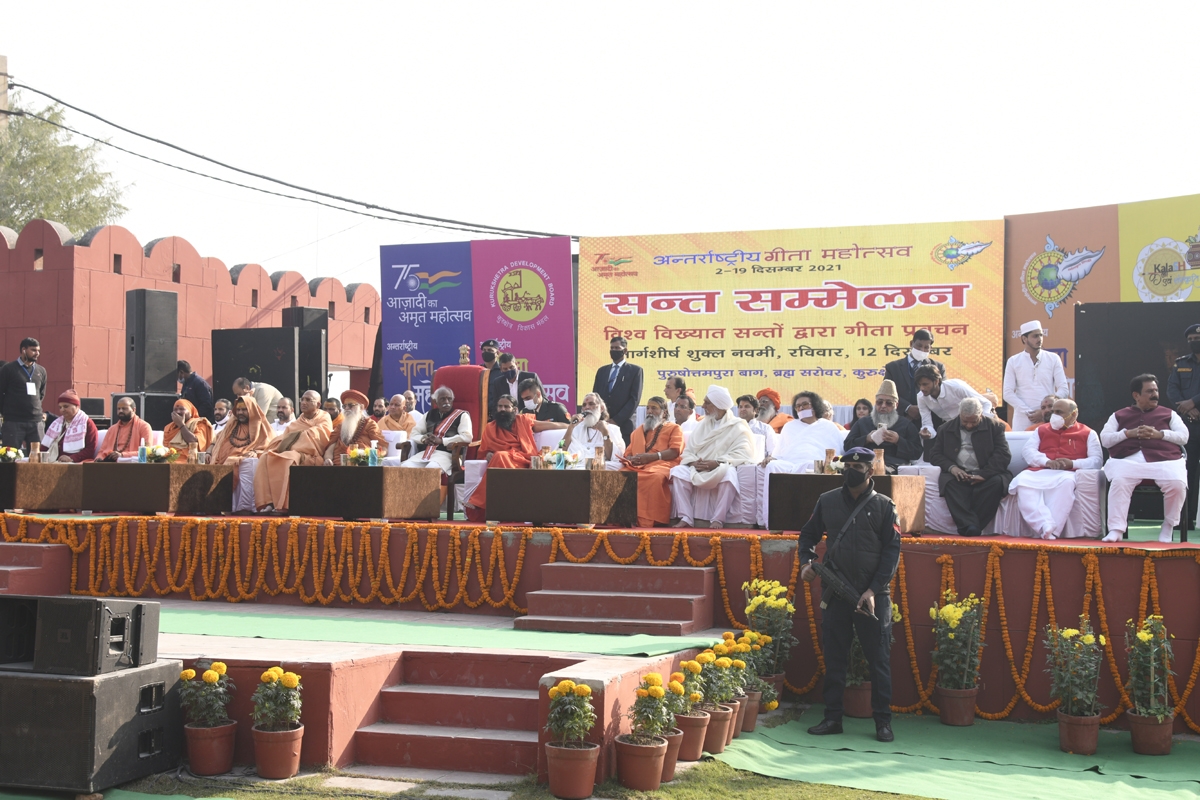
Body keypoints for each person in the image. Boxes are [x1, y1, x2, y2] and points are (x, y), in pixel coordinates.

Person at [799, 448, 901, 743]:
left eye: (857, 466)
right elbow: (808, 536)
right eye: (847, 465)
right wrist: (806, 563)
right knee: (835, 657)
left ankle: (883, 722)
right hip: (837, 593)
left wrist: (872, 590)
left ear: (871, 471)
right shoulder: (827, 501)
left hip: (873, 596)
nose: (850, 471)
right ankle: (832, 718)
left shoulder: (884, 506)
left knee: (878, 659)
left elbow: (892, 552)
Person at [1101, 374, 1189, 543]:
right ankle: (1116, 529)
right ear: (1136, 395)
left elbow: (1183, 436)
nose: (1155, 394)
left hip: (1165, 460)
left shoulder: (1169, 414)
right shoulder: (1119, 415)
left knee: (1177, 485)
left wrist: (1160, 435)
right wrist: (1127, 433)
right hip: (1128, 460)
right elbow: (1105, 439)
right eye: (1149, 391)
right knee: (1119, 481)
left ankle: (1168, 527)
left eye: (1156, 390)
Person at [1007, 398, 1101, 540]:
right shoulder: (1042, 430)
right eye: (1053, 412)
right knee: (1022, 482)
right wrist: (1046, 461)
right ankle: (1044, 524)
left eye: (1059, 412)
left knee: (1067, 484)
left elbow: (1096, 461)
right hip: (1039, 471)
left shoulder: (1088, 433)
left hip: (1066, 473)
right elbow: (1028, 452)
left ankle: (1053, 531)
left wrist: (1073, 464)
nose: (1054, 416)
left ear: (1074, 414)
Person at [465, 394, 564, 521]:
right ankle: (497, 509)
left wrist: (571, 426)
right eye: (500, 406)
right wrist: (487, 454)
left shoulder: (523, 421)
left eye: (507, 406)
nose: (502, 409)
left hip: (523, 460)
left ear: (515, 409)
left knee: (500, 455)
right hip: (501, 461)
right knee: (499, 456)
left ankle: (478, 502)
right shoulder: (490, 427)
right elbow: (483, 451)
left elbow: (551, 426)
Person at [668, 385, 755, 528]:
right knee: (678, 472)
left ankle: (718, 519)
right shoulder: (702, 425)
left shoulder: (738, 426)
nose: (703, 406)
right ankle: (686, 517)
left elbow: (743, 452)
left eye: (707, 403)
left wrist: (717, 462)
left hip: (720, 466)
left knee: (729, 474)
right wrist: (692, 463)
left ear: (718, 405)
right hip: (698, 466)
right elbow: (689, 451)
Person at [758, 392, 846, 528]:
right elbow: (780, 452)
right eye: (798, 406)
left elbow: (836, 453)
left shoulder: (827, 426)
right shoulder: (790, 426)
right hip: (790, 462)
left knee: (809, 466)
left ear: (815, 406)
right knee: (773, 466)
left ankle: (812, 520)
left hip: (816, 463)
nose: (801, 408)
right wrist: (772, 458)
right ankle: (773, 521)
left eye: (805, 404)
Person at [928, 397, 1012, 536]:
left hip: (986, 472)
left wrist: (984, 474)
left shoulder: (995, 427)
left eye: (973, 421)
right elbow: (935, 455)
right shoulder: (945, 428)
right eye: (965, 421)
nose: (968, 425)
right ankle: (971, 525)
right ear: (960, 415)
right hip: (958, 473)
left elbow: (1003, 455)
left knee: (997, 483)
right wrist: (952, 468)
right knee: (949, 484)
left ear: (981, 415)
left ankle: (971, 526)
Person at [254, 390, 333, 512]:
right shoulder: (298, 421)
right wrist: (291, 440)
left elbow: (320, 437)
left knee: (287, 458)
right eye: (302, 399)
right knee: (265, 457)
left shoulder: (324, 417)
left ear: (318, 405)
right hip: (294, 452)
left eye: (308, 400)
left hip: (312, 456)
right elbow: (286, 437)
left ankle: (282, 505)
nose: (303, 402)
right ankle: (268, 502)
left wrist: (294, 439)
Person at [620, 396, 684, 527]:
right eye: (648, 408)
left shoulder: (674, 428)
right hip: (639, 465)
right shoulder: (638, 432)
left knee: (654, 478)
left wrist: (651, 457)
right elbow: (628, 454)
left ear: (664, 412)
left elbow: (675, 451)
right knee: (619, 475)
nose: (649, 411)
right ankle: (621, 517)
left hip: (663, 463)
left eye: (654, 408)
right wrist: (632, 459)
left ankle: (645, 520)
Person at [1003, 320, 1069, 431]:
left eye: (1041, 335)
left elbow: (1064, 390)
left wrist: (1046, 411)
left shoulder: (1053, 358)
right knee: (1021, 447)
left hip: (1048, 417)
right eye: (1035, 336)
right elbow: (1007, 393)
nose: (1039, 339)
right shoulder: (1013, 361)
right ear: (1024, 339)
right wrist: (1029, 412)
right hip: (1023, 419)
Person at [843, 380, 922, 472]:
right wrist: (866, 439)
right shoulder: (862, 423)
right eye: (879, 402)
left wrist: (898, 441)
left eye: (888, 403)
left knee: (880, 471)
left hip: (894, 465)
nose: (883, 406)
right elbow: (847, 446)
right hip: (865, 463)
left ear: (896, 405)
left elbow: (917, 452)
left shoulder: (906, 424)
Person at [1167, 323, 1200, 531]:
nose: (1194, 342)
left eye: (1197, 339)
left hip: (1194, 411)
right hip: (1191, 424)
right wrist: (1188, 409)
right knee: (1188, 471)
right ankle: (1186, 519)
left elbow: (1189, 400)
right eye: (1191, 340)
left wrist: (1194, 402)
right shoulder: (1181, 364)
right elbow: (1172, 390)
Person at [400, 386, 473, 474]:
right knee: (405, 467)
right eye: (442, 399)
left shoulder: (462, 415)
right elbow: (414, 433)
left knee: (431, 469)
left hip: (447, 455)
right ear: (435, 402)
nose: (446, 402)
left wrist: (442, 441)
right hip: (425, 453)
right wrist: (424, 439)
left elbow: (467, 437)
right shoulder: (429, 414)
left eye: (449, 399)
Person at [883, 329, 946, 423]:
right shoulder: (893, 368)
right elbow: (887, 393)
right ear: (911, 343)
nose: (922, 350)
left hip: (932, 421)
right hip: (901, 420)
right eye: (919, 346)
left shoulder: (938, 367)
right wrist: (908, 408)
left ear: (931, 349)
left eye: (926, 347)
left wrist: (923, 409)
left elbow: (942, 393)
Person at [915, 364, 992, 441]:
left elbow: (986, 403)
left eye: (925, 384)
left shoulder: (957, 387)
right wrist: (927, 431)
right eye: (919, 385)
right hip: (952, 432)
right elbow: (927, 424)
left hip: (974, 426)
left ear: (936, 381)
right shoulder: (921, 397)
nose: (921, 388)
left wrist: (981, 425)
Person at [592, 335, 644, 446]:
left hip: (623, 425)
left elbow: (634, 399)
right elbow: (595, 397)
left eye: (617, 348)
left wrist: (616, 420)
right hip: (601, 424)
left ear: (625, 350)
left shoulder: (635, 371)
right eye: (612, 348)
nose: (613, 351)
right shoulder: (602, 371)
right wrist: (602, 418)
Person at [0, 337, 47, 452]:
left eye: (38, 351)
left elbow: (41, 394)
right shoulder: (9, 369)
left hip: (36, 422)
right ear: (23, 350)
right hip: (13, 421)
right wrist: (5, 413)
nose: (37, 353)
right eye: (33, 350)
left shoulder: (41, 371)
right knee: (10, 457)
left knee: (37, 458)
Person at [563, 393, 626, 468]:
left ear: (601, 408)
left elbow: (614, 458)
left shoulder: (612, 429)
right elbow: (561, 449)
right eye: (584, 405)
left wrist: (605, 432)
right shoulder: (576, 428)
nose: (587, 407)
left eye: (591, 404)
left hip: (601, 469)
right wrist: (570, 427)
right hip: (577, 467)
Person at [211, 395, 274, 465]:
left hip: (244, 465)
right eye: (238, 410)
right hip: (221, 465)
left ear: (252, 410)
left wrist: (256, 452)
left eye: (244, 410)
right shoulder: (232, 425)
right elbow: (218, 439)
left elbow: (271, 448)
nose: (240, 412)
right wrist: (209, 451)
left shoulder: (263, 428)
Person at [325, 390, 382, 465]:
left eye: (351, 405)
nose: (347, 408)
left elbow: (381, 448)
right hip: (337, 467)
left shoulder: (370, 424)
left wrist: (366, 456)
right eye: (344, 406)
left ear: (361, 407)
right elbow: (330, 449)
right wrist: (327, 459)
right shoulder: (340, 426)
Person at [40, 390, 98, 463]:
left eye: (66, 406)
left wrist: (72, 458)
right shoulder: (57, 423)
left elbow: (90, 449)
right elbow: (45, 447)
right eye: (60, 407)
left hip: (77, 463)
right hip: (54, 461)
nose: (62, 410)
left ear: (76, 406)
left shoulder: (87, 423)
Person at [96, 397, 152, 461]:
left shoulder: (144, 427)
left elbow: (147, 452)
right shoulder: (112, 429)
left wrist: (122, 455)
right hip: (111, 464)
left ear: (134, 410)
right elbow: (102, 451)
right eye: (118, 409)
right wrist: (98, 458)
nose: (120, 411)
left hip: (132, 464)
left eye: (124, 408)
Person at [488, 353, 539, 420]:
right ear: (501, 369)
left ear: (516, 364)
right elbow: (495, 406)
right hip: (508, 421)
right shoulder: (498, 383)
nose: (509, 370)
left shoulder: (531, 377)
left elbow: (542, 398)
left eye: (511, 367)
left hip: (530, 419)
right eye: (505, 369)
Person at [736, 395, 778, 459]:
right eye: (740, 407)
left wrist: (769, 458)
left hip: (760, 465)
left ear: (756, 410)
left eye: (747, 406)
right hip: (736, 464)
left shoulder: (765, 428)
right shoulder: (733, 427)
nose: (743, 409)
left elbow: (773, 451)